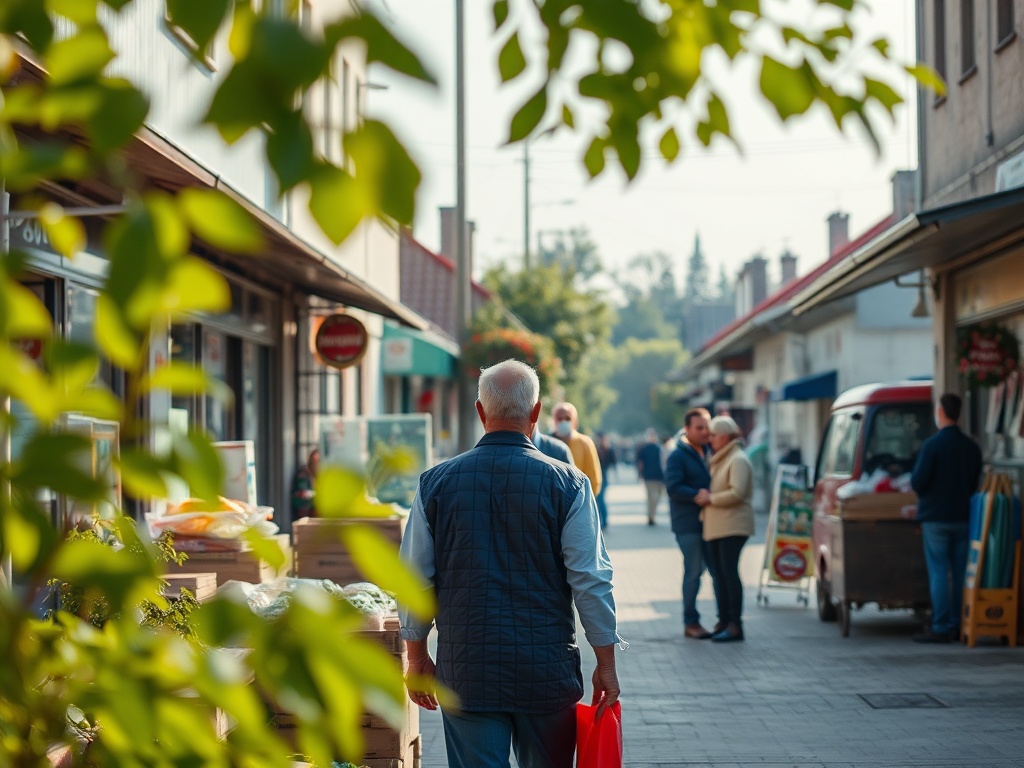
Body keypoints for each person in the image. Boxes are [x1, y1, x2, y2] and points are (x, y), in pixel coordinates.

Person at [399, 360, 622, 768]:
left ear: (480, 412)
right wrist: (605, 663)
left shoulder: (435, 483)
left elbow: (414, 577)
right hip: (546, 672)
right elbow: (591, 581)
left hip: (467, 673)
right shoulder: (569, 484)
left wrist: (416, 656)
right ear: (536, 413)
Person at [910, 392, 983, 643]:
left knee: (939, 571)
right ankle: (957, 623)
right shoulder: (971, 447)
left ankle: (940, 627)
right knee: (961, 572)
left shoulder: (932, 446)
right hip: (964, 518)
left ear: (940, 412)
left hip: (936, 519)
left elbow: (918, 482)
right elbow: (976, 484)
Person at [696, 416, 754, 643]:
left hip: (732, 525)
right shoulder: (721, 458)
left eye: (712, 435)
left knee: (729, 574)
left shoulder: (737, 459)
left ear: (724, 436)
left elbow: (737, 493)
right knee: (719, 575)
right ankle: (724, 621)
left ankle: (735, 625)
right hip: (718, 526)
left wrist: (711, 498)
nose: (709, 440)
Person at [664, 408, 715, 639]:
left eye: (707, 427)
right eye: (699, 427)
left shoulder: (712, 451)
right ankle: (691, 622)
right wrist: (699, 493)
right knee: (694, 571)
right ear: (687, 429)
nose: (705, 432)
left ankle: (721, 621)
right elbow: (674, 488)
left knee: (709, 570)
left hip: (713, 522)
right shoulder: (678, 455)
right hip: (688, 524)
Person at [552, 401, 603, 498]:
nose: (563, 421)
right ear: (554, 420)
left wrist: (585, 500)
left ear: (574, 421)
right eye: (560, 418)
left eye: (567, 418)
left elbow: (594, 478)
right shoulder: (547, 443)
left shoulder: (585, 443)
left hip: (578, 500)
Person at [636, 428, 666, 526]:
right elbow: (641, 463)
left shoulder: (659, 448)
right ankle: (651, 516)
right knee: (652, 497)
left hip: (658, 476)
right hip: (649, 477)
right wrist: (640, 474)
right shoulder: (645, 449)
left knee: (656, 497)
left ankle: (651, 515)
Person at [595, 434, 617, 530]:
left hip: (604, 477)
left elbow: (613, 462)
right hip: (596, 476)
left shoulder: (609, 450)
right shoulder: (595, 449)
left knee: (601, 500)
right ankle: (600, 520)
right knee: (597, 500)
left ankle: (603, 521)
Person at [290, 447, 319, 520]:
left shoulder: (317, 475)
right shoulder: (303, 473)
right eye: (315, 462)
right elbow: (303, 493)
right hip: (302, 511)